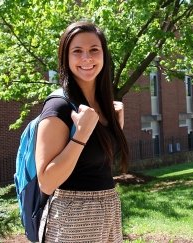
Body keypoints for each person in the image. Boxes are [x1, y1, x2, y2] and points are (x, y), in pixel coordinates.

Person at [35, 21, 129, 242]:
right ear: (66, 58)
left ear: (104, 55)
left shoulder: (104, 105)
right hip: (72, 219)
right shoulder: (59, 107)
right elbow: (46, 183)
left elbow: (97, 164)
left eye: (94, 50)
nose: (87, 58)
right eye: (77, 51)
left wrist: (115, 127)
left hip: (108, 212)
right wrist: (81, 135)